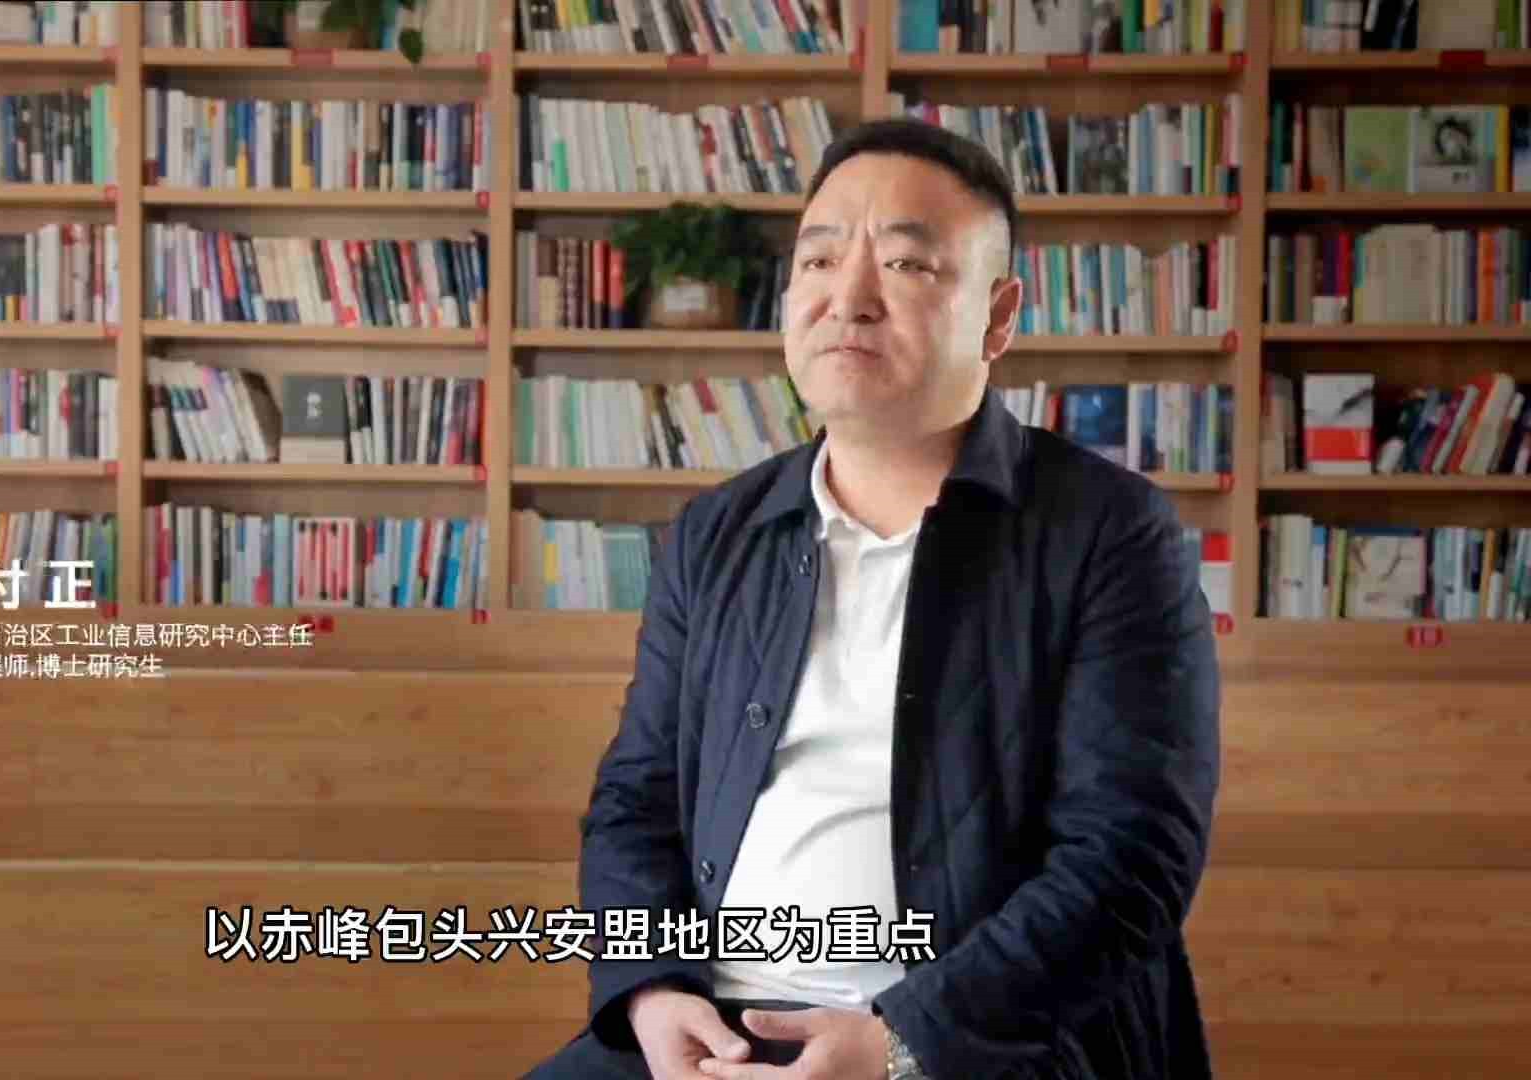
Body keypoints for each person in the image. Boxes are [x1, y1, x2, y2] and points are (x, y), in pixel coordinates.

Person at [521, 117, 1222, 1080]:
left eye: (905, 264)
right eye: (817, 260)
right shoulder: (718, 533)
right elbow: (636, 804)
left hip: (978, 1047)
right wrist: (651, 991)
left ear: (999, 316)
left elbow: (1131, 857)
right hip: (713, 1030)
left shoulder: (1109, 532)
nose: (846, 298)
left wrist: (901, 1043)